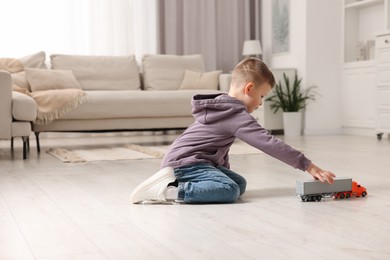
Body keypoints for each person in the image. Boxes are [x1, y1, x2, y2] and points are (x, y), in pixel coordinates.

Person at [130, 57, 336, 204]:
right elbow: (269, 143)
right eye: (262, 96)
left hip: (186, 161)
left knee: (239, 184)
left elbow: (219, 148)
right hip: (187, 163)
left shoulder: (222, 106)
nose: (261, 103)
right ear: (248, 89)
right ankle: (170, 191)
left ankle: (173, 181)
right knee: (229, 190)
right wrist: (309, 166)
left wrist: (222, 169)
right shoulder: (236, 114)